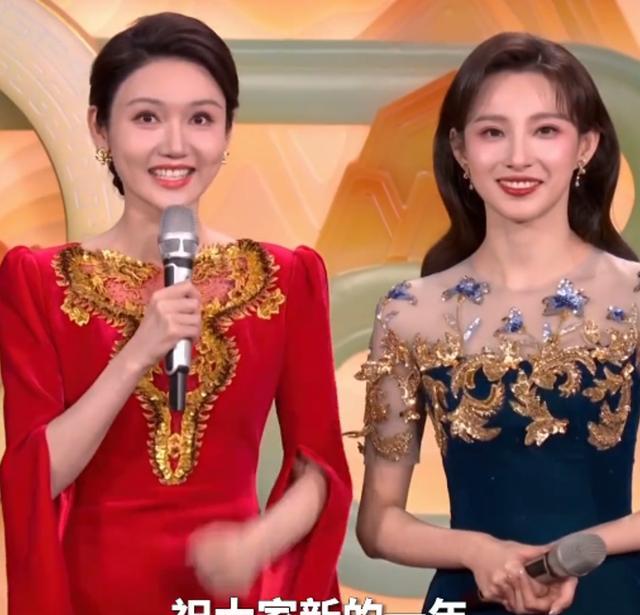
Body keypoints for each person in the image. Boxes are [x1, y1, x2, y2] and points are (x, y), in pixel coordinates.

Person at [0, 12, 351, 614]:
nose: (175, 144)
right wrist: (137, 352)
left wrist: (256, 544)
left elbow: (318, 469)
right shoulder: (39, 280)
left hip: (229, 595)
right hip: (94, 596)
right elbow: (35, 475)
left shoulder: (284, 278)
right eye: (146, 118)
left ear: (228, 131)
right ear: (99, 128)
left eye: (201, 119)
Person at [351, 32, 640, 615]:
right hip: (470, 595)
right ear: (460, 150)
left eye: (546, 130)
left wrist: (573, 553)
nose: (518, 157)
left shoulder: (634, 298)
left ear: (585, 146)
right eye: (492, 132)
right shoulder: (410, 313)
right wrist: (477, 552)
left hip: (610, 593)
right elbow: (378, 522)